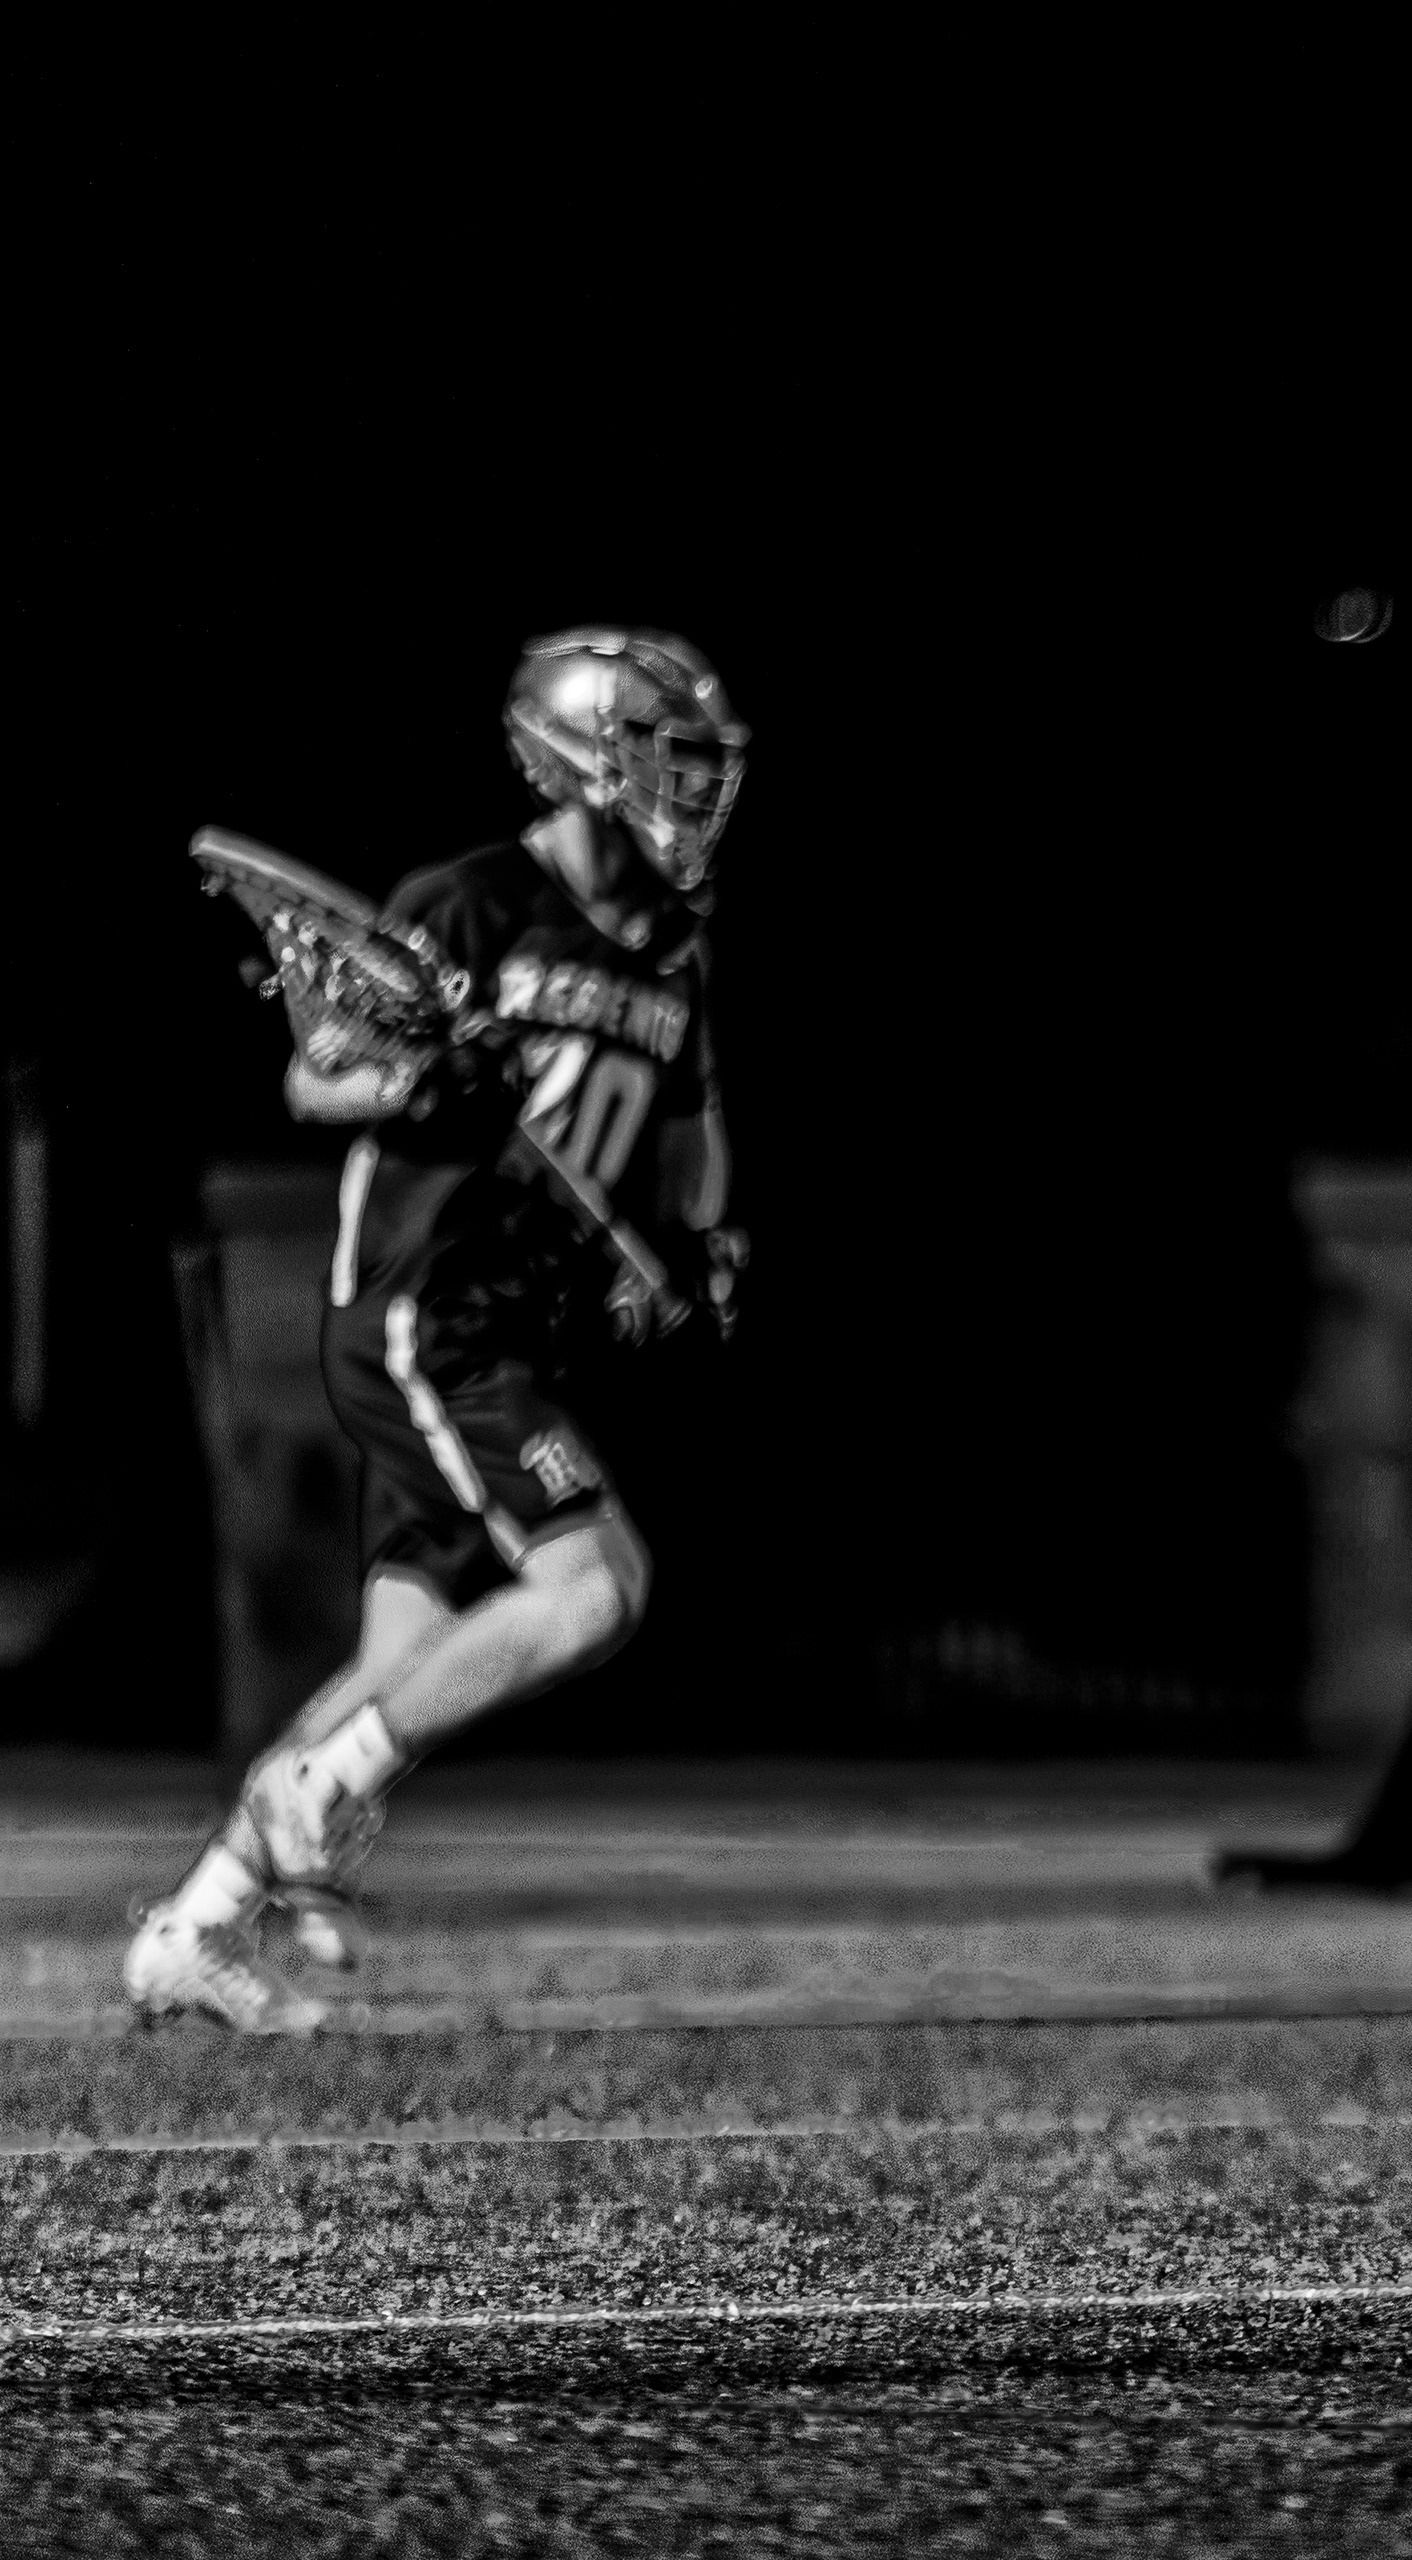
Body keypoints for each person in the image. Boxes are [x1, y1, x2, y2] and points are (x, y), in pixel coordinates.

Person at [127, 629, 750, 2033]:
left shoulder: (672, 945)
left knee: (395, 1663)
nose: (696, 789)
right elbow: (318, 1081)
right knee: (598, 1587)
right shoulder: (470, 903)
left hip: (517, 1327)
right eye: (670, 757)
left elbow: (689, 1125)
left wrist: (701, 1244)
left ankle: (194, 1926)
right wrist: (425, 1085)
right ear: (587, 757)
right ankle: (317, 1790)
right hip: (427, 1309)